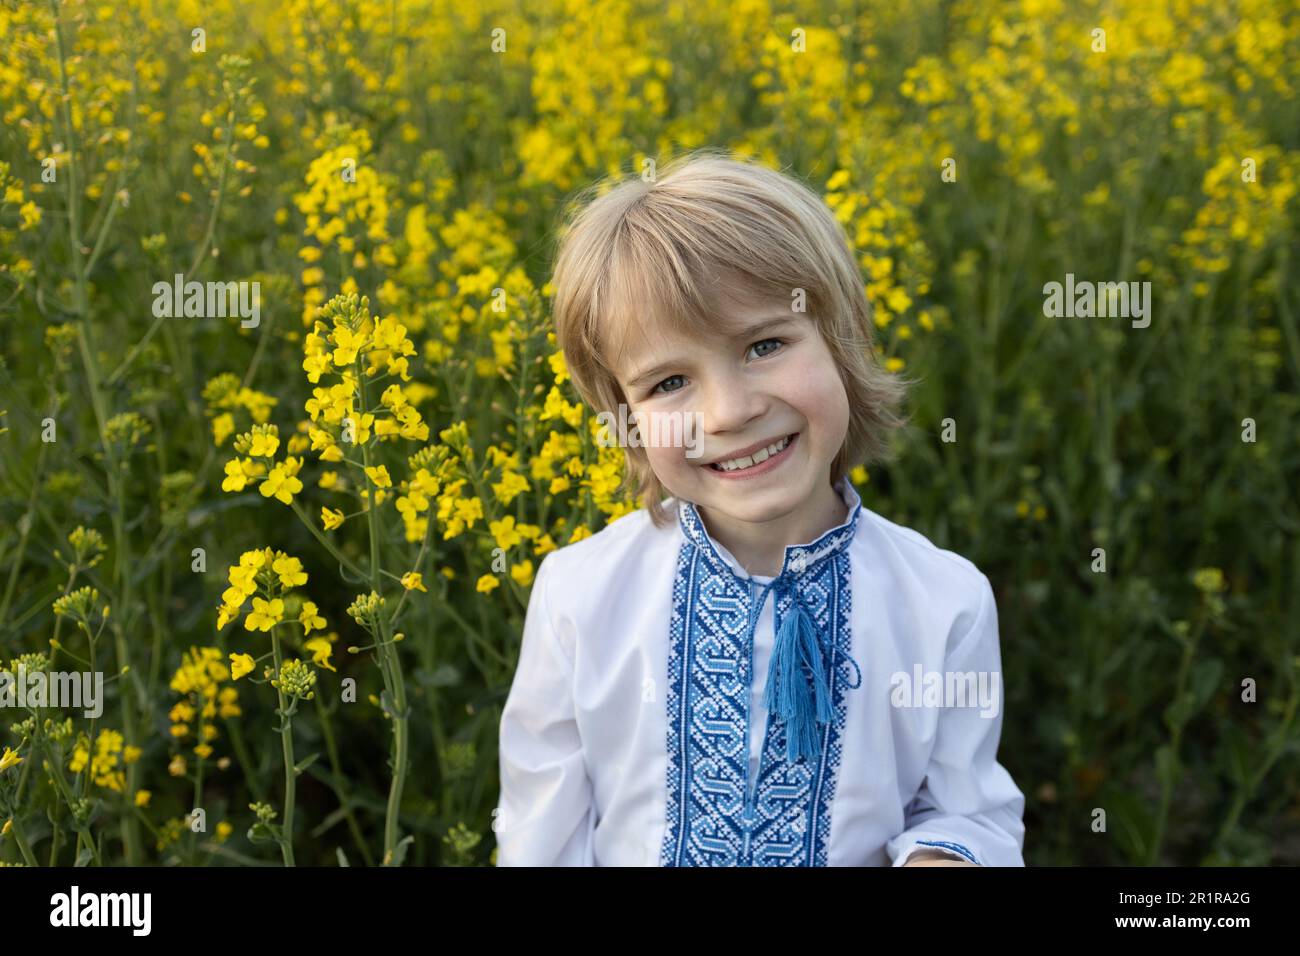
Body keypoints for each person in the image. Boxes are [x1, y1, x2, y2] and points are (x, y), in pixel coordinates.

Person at [495, 150, 1025, 866]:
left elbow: (970, 810)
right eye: (669, 382)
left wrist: (947, 852)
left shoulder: (944, 601)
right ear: (624, 417)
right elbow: (539, 835)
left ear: (844, 340)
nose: (730, 411)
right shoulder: (579, 596)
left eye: (764, 344)